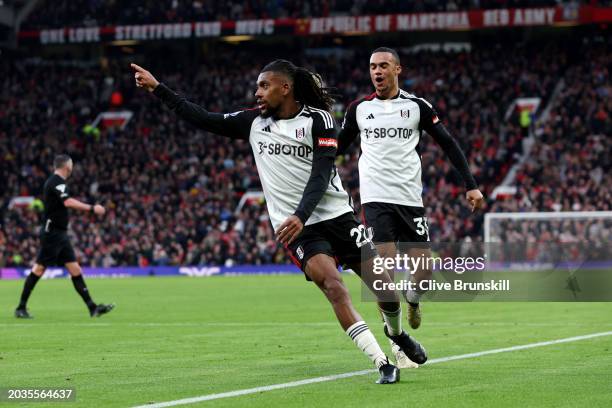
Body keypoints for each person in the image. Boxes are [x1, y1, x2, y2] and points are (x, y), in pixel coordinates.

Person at [131, 59, 427, 383]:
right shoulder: (253, 123)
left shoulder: (319, 120)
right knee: (333, 286)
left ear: (285, 88)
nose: (257, 93)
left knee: (383, 286)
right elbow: (203, 118)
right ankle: (382, 362)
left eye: (264, 86)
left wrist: (302, 213)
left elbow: (321, 173)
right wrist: (158, 89)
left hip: (337, 215)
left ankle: (396, 334)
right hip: (296, 229)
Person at [338, 47, 484, 331]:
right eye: (372, 67)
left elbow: (449, 144)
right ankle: (398, 342)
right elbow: (337, 147)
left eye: (383, 66)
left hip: (409, 200)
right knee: (385, 276)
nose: (377, 72)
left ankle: (413, 300)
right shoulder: (359, 109)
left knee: (424, 273)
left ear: (397, 70)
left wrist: (471, 185)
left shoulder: (417, 107)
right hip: (375, 201)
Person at [14, 155, 115, 318]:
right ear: (67, 165)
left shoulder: (57, 182)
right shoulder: (56, 181)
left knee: (75, 269)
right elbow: (67, 202)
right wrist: (92, 208)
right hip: (52, 233)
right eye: (72, 164)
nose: (73, 167)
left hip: (60, 233)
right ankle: (20, 308)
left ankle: (92, 308)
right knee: (39, 268)